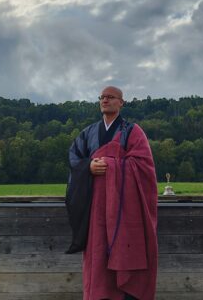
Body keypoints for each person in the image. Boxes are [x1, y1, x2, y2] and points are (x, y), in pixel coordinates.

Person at [66, 86, 158, 300]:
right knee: (97, 256)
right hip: (96, 211)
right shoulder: (88, 133)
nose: (105, 100)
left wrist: (110, 164)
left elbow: (145, 166)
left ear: (121, 103)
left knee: (124, 256)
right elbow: (74, 160)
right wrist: (88, 167)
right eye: (102, 97)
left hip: (124, 213)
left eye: (110, 97)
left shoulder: (132, 132)